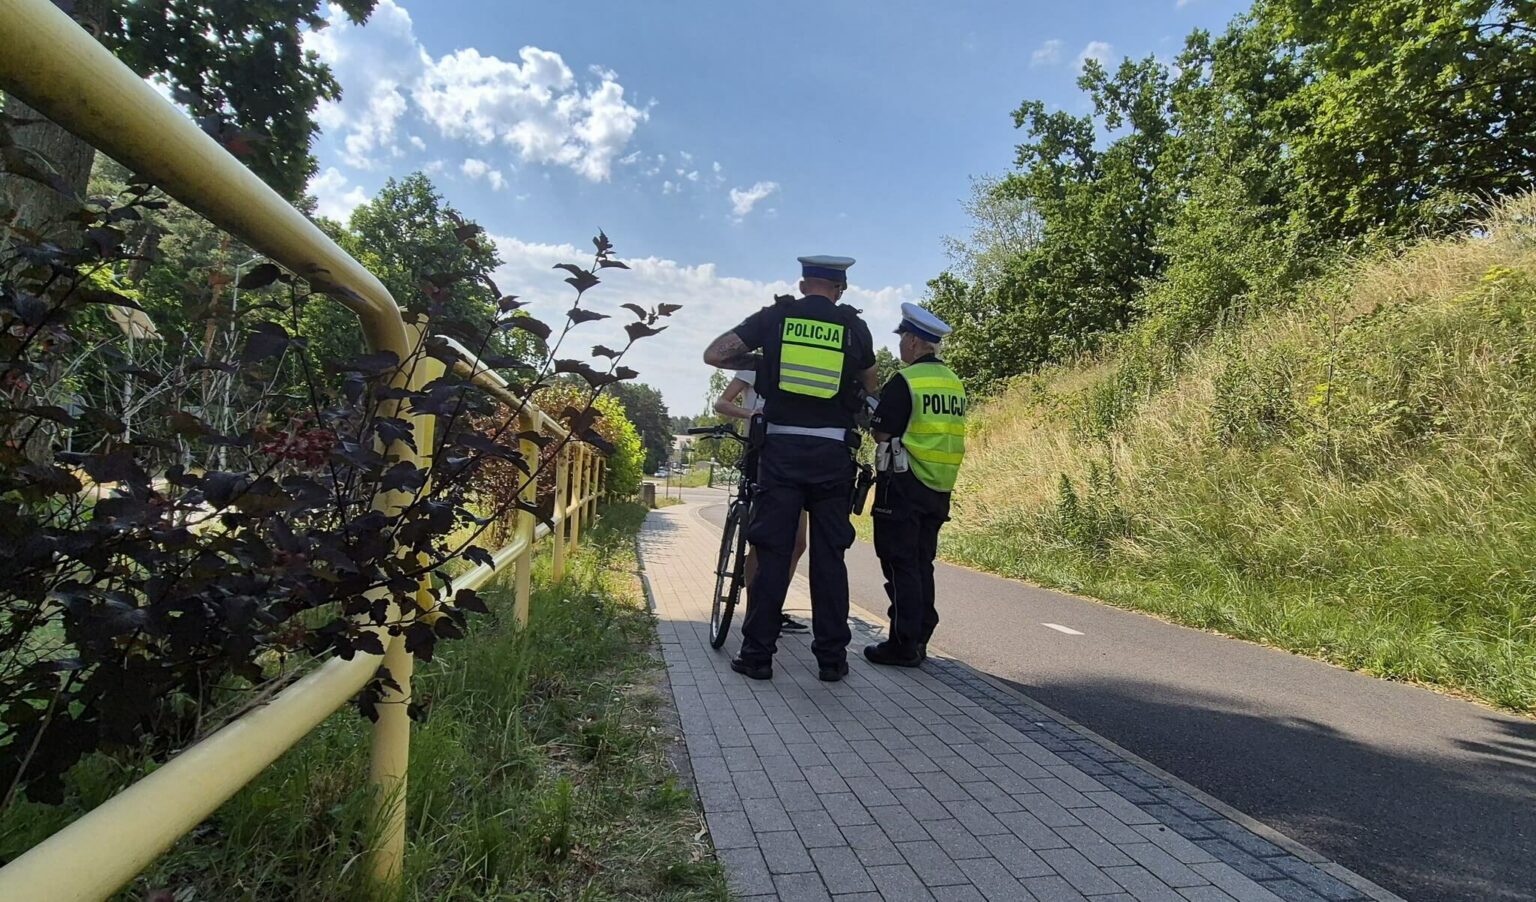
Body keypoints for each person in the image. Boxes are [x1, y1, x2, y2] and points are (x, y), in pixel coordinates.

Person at [703, 255, 878, 682]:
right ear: (839, 289)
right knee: (829, 558)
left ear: (803, 285)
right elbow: (870, 385)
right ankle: (833, 661)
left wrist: (766, 366)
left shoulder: (776, 317)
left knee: (774, 553)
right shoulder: (854, 327)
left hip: (780, 452)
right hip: (833, 456)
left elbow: (715, 353)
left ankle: (758, 656)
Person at [864, 303, 966, 667]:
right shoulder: (953, 382)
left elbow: (881, 432)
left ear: (914, 341)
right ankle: (922, 632)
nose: (900, 347)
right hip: (939, 487)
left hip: (905, 484)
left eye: (902, 339)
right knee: (923, 562)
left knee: (899, 563)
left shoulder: (906, 381)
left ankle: (903, 644)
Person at [713, 373, 811, 633]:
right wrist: (752, 414)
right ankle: (757, 612)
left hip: (794, 456)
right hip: (761, 453)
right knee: (764, 540)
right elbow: (721, 403)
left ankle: (773, 607)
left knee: (798, 544)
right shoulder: (753, 366)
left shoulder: (797, 363)